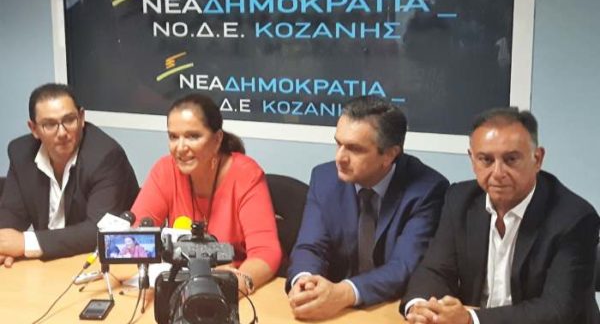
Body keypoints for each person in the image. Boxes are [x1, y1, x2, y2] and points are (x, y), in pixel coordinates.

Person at [401, 107, 600, 324]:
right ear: (472, 159)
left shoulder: (574, 218)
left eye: (511, 159)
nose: (498, 173)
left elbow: (557, 309)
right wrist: (421, 307)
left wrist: (471, 319)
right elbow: (435, 270)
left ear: (537, 159)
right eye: (486, 160)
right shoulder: (459, 200)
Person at [286, 96, 449, 320]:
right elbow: (310, 247)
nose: (340, 158)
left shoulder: (427, 190)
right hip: (335, 312)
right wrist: (305, 282)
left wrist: (344, 292)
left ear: (390, 154)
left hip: (389, 309)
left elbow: (404, 266)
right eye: (338, 143)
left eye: (355, 149)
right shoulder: (324, 178)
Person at [131, 93, 282, 294]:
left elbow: (266, 252)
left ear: (217, 139)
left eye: (192, 136)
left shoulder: (246, 175)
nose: (180, 148)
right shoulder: (165, 170)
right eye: (173, 137)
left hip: (232, 291)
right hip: (181, 288)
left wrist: (234, 283)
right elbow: (135, 238)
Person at [0, 83, 139, 266]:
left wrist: (25, 243)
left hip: (97, 262)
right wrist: (5, 247)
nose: (62, 132)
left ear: (81, 118)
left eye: (69, 120)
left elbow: (98, 230)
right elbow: (12, 213)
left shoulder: (105, 156)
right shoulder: (21, 153)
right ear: (34, 129)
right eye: (50, 124)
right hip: (46, 264)